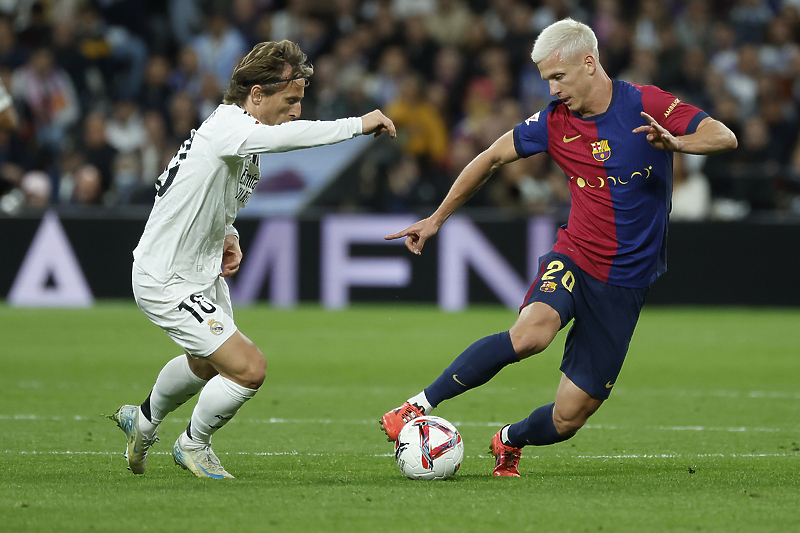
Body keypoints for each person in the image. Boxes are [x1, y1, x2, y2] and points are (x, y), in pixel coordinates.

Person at [380, 18, 737, 477]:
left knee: (569, 418)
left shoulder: (646, 103)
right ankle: (417, 404)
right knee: (530, 335)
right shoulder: (553, 122)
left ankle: (509, 439)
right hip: (575, 255)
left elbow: (724, 136)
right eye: (546, 79)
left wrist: (678, 142)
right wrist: (435, 219)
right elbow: (489, 157)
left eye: (557, 77)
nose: (551, 90)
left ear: (589, 63)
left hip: (624, 282)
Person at [109, 40, 395, 479]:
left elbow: (220, 202)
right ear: (256, 95)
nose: (297, 111)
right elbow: (288, 138)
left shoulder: (244, 147)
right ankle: (193, 444)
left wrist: (229, 234)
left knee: (206, 362)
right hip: (166, 276)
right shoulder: (229, 124)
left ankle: (142, 420)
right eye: (292, 101)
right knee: (248, 369)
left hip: (198, 271)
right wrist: (357, 124)